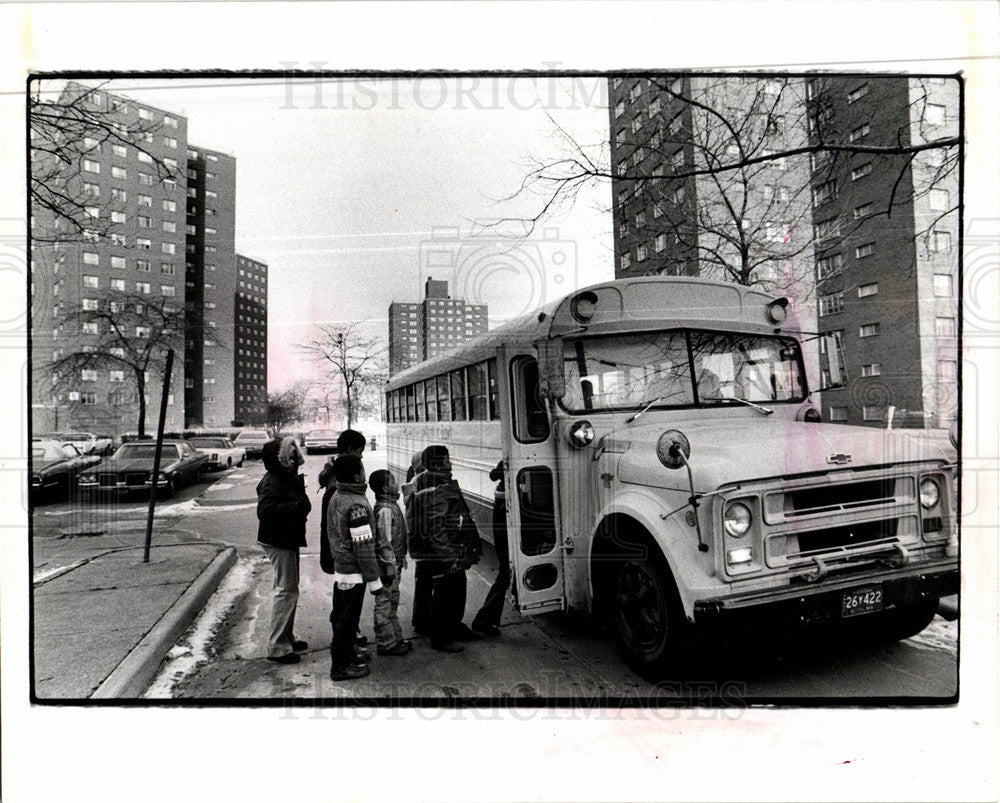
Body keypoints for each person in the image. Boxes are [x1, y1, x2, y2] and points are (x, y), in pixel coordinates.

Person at [408, 444, 482, 652]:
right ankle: (441, 639)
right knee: (445, 594)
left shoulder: (435, 482)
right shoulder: (435, 487)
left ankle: (454, 627)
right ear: (438, 463)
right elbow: (435, 528)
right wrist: (449, 558)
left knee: (456, 589)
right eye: (448, 460)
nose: (451, 463)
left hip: (450, 549)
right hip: (445, 553)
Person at [326, 453, 386, 681]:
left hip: (342, 569)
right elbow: (363, 548)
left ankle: (348, 656)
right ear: (355, 475)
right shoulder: (356, 505)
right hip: (353, 572)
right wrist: (375, 581)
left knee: (342, 616)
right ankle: (341, 667)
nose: (364, 472)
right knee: (347, 621)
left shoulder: (338, 495)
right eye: (361, 469)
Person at [256, 436, 311, 664]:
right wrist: (297, 506)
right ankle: (278, 646)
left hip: (285, 538)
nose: (294, 459)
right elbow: (265, 510)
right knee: (286, 591)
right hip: (279, 540)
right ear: (280, 458)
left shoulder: (282, 476)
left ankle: (286, 637)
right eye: (290, 455)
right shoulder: (274, 480)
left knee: (289, 589)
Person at [318, 429, 370, 648]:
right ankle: (344, 646)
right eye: (360, 452)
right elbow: (343, 527)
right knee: (346, 605)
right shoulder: (341, 484)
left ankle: (347, 638)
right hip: (346, 557)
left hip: (341, 555)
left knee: (345, 602)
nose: (362, 457)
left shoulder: (335, 476)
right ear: (350, 450)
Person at [369, 469, 412, 656]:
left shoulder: (388, 505)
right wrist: (389, 565)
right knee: (385, 603)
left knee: (392, 601)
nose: (396, 484)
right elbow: (383, 541)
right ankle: (386, 643)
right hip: (388, 565)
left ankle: (395, 638)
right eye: (393, 481)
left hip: (394, 563)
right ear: (386, 487)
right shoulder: (386, 509)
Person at [471, 459, 508, 638]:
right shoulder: (508, 499)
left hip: (505, 542)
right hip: (508, 543)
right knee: (504, 578)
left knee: (504, 578)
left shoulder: (502, 495)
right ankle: (483, 620)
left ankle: (485, 619)